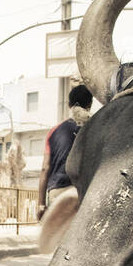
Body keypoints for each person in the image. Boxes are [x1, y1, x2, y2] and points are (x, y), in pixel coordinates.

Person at [38, 84, 93, 217]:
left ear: (69, 105)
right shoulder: (94, 127)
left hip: (57, 193)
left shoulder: (54, 131)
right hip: (84, 193)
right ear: (90, 104)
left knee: (57, 237)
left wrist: (40, 204)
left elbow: (45, 168)